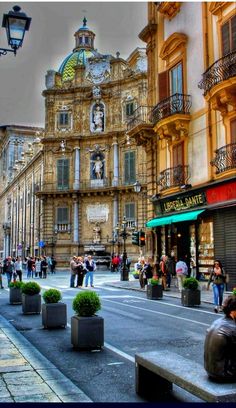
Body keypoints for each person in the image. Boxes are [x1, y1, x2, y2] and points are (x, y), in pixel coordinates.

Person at [204, 294, 236, 381]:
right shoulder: (233, 328)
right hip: (224, 374)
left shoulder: (217, 322)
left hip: (210, 370)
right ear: (233, 312)